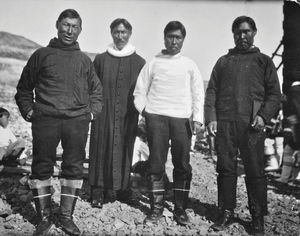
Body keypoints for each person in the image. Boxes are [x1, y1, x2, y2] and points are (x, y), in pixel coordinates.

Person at [15, 9, 103, 236]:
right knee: (42, 165)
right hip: (46, 119)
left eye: (74, 26)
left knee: (73, 167)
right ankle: (43, 217)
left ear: (80, 30)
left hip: (77, 121)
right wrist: (29, 112)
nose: (69, 30)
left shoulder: (84, 60)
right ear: (57, 25)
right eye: (66, 25)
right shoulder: (41, 55)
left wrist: (91, 114)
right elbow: (24, 89)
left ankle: (66, 217)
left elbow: (97, 93)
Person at [204, 16, 281, 236]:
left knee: (255, 171)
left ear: (255, 32)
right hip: (226, 124)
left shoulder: (264, 61)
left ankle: (257, 217)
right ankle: (226, 212)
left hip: (253, 125)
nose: (242, 36)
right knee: (225, 169)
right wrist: (211, 118)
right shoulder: (223, 62)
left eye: (246, 31)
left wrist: (264, 117)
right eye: (238, 32)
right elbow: (212, 92)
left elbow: (274, 95)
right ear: (233, 34)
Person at [133, 21, 204, 225]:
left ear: (183, 39)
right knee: (156, 163)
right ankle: (156, 209)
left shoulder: (189, 64)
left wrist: (198, 118)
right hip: (157, 118)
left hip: (181, 120)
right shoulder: (153, 63)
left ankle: (180, 209)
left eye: (178, 37)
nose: (174, 41)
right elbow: (139, 91)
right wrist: (146, 112)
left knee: (182, 163)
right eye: (170, 36)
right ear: (164, 37)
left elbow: (198, 93)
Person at [88, 18, 145, 208]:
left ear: (130, 33)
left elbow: (143, 90)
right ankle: (97, 190)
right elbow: (93, 86)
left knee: (125, 148)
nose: (120, 36)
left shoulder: (139, 62)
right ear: (111, 33)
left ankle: (122, 189)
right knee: (100, 148)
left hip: (128, 115)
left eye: (124, 32)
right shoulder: (101, 59)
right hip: (103, 113)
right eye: (116, 32)